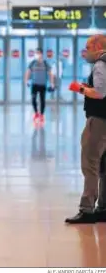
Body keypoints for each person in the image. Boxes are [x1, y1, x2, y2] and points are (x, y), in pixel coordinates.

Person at [66, 34, 106, 224]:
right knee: (104, 165)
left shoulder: (100, 64)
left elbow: (100, 92)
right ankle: (104, 208)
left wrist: (80, 89)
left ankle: (87, 209)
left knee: (90, 164)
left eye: (88, 47)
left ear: (98, 46)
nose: (86, 52)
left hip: (99, 121)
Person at [24, 48, 55, 122]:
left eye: (38, 53)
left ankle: (41, 115)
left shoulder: (45, 63)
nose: (37, 54)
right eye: (36, 53)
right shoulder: (32, 63)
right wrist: (26, 81)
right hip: (34, 84)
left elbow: (50, 73)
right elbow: (28, 72)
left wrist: (52, 83)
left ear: (41, 54)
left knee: (42, 100)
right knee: (33, 99)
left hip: (42, 85)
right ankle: (36, 113)